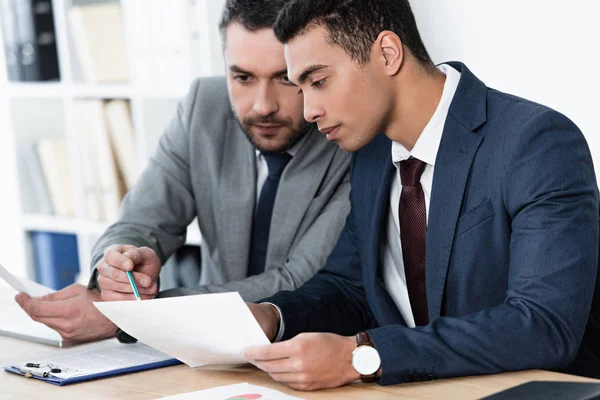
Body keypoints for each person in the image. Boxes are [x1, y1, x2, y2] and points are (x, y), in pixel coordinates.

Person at [244, 0, 600, 391]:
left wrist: (362, 355)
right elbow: (351, 287)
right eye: (301, 88)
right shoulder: (372, 155)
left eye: (319, 81)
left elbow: (543, 325)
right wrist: (272, 316)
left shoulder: (535, 143)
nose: (309, 110)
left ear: (387, 53)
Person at [15, 0, 351, 344]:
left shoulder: (350, 134)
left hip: (307, 347)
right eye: (242, 77)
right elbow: (139, 223)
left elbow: (299, 280)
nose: (262, 105)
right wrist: (119, 267)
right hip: (199, 355)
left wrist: (130, 317)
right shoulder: (204, 105)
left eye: (285, 78)